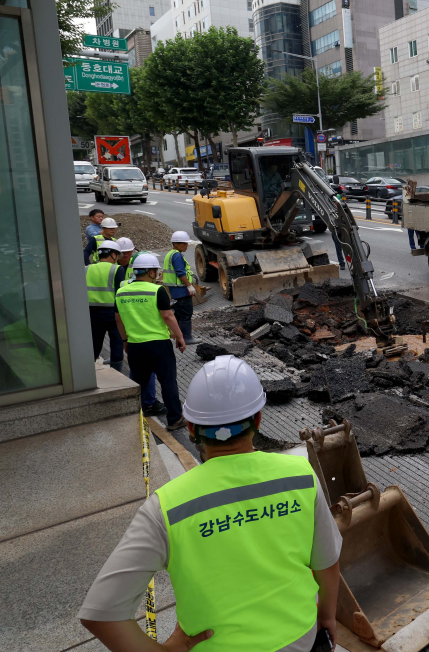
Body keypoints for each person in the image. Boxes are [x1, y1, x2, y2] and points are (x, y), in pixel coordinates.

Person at [78, 356, 342, 652]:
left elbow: (101, 614)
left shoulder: (167, 508)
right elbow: (327, 562)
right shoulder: (300, 476)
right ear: (257, 419)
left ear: (191, 428)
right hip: (300, 639)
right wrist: (326, 617)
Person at [116, 253, 187, 427]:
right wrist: (179, 336)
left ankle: (136, 419)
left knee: (139, 385)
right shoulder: (157, 290)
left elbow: (118, 319)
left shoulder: (121, 292)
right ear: (151, 272)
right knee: (168, 382)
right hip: (159, 345)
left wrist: (125, 340)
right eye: (156, 271)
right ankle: (175, 419)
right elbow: (168, 316)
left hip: (135, 346)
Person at [86, 239, 128, 371]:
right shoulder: (117, 269)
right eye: (118, 255)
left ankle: (88, 371)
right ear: (113, 254)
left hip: (92, 312)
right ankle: (117, 372)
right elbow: (120, 292)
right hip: (112, 312)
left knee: (94, 342)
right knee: (116, 342)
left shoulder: (87, 269)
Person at [164, 231, 198, 345]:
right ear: (175, 244)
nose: (186, 245)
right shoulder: (177, 255)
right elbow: (180, 273)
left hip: (176, 291)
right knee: (186, 314)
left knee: (179, 314)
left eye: (186, 243)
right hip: (181, 290)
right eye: (183, 243)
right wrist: (189, 285)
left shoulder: (171, 254)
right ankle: (187, 337)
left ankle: (179, 337)